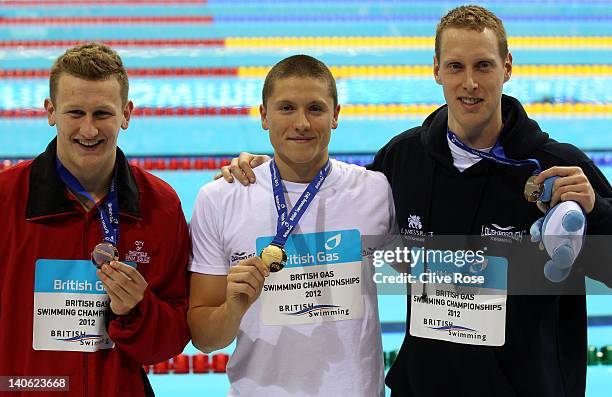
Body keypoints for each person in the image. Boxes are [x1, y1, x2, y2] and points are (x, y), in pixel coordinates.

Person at [217, 5, 612, 397]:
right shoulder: (404, 159)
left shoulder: (558, 167)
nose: (469, 82)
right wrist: (266, 170)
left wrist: (596, 212)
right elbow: (331, 193)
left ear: (507, 67)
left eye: (484, 66)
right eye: (456, 67)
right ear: (436, 69)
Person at [187, 55, 395, 396]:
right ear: (264, 116)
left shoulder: (374, 190)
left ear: (336, 115)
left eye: (315, 108)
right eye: (286, 108)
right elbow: (205, 339)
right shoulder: (221, 198)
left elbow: (426, 270)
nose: (301, 123)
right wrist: (233, 308)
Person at [0, 43, 190, 396]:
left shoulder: (160, 207)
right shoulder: (7, 199)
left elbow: (172, 340)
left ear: (126, 114)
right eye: (76, 113)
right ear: (51, 111)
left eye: (102, 113)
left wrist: (138, 309)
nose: (89, 131)